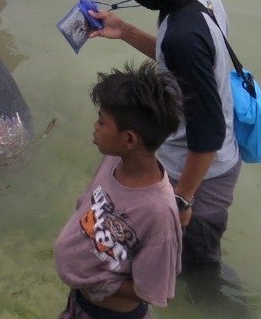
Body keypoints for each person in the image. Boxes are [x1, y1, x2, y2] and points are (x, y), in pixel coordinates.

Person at [86, 0, 242, 271]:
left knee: (195, 273)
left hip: (201, 174)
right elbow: (182, 63)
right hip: (202, 160)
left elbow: (209, 133)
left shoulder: (183, 35)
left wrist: (184, 199)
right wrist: (124, 30)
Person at [53, 61, 184, 319]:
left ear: (129, 140)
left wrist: (100, 280)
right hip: (80, 302)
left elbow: (153, 288)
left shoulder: (158, 212)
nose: (95, 127)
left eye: (102, 122)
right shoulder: (114, 160)